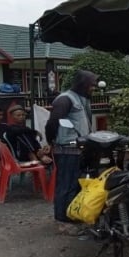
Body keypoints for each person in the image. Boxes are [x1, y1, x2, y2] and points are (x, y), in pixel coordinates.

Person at [45, 70, 99, 235]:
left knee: (76, 184)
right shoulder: (65, 99)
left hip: (79, 150)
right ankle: (62, 220)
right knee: (66, 185)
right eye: (91, 85)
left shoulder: (81, 100)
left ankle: (73, 215)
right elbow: (53, 123)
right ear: (82, 84)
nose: (93, 88)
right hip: (67, 150)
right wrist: (51, 141)